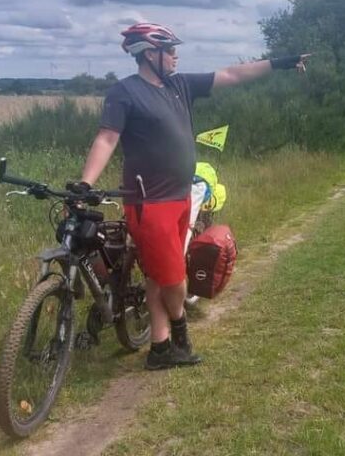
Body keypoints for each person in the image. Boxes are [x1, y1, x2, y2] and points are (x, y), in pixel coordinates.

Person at [78, 22, 308, 370]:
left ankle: (160, 348)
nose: (175, 56)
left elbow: (232, 74)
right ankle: (181, 334)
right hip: (149, 204)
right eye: (169, 50)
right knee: (174, 280)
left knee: (157, 277)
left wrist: (280, 63)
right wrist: (85, 183)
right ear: (149, 54)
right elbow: (107, 139)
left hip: (181, 196)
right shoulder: (124, 93)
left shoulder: (180, 85)